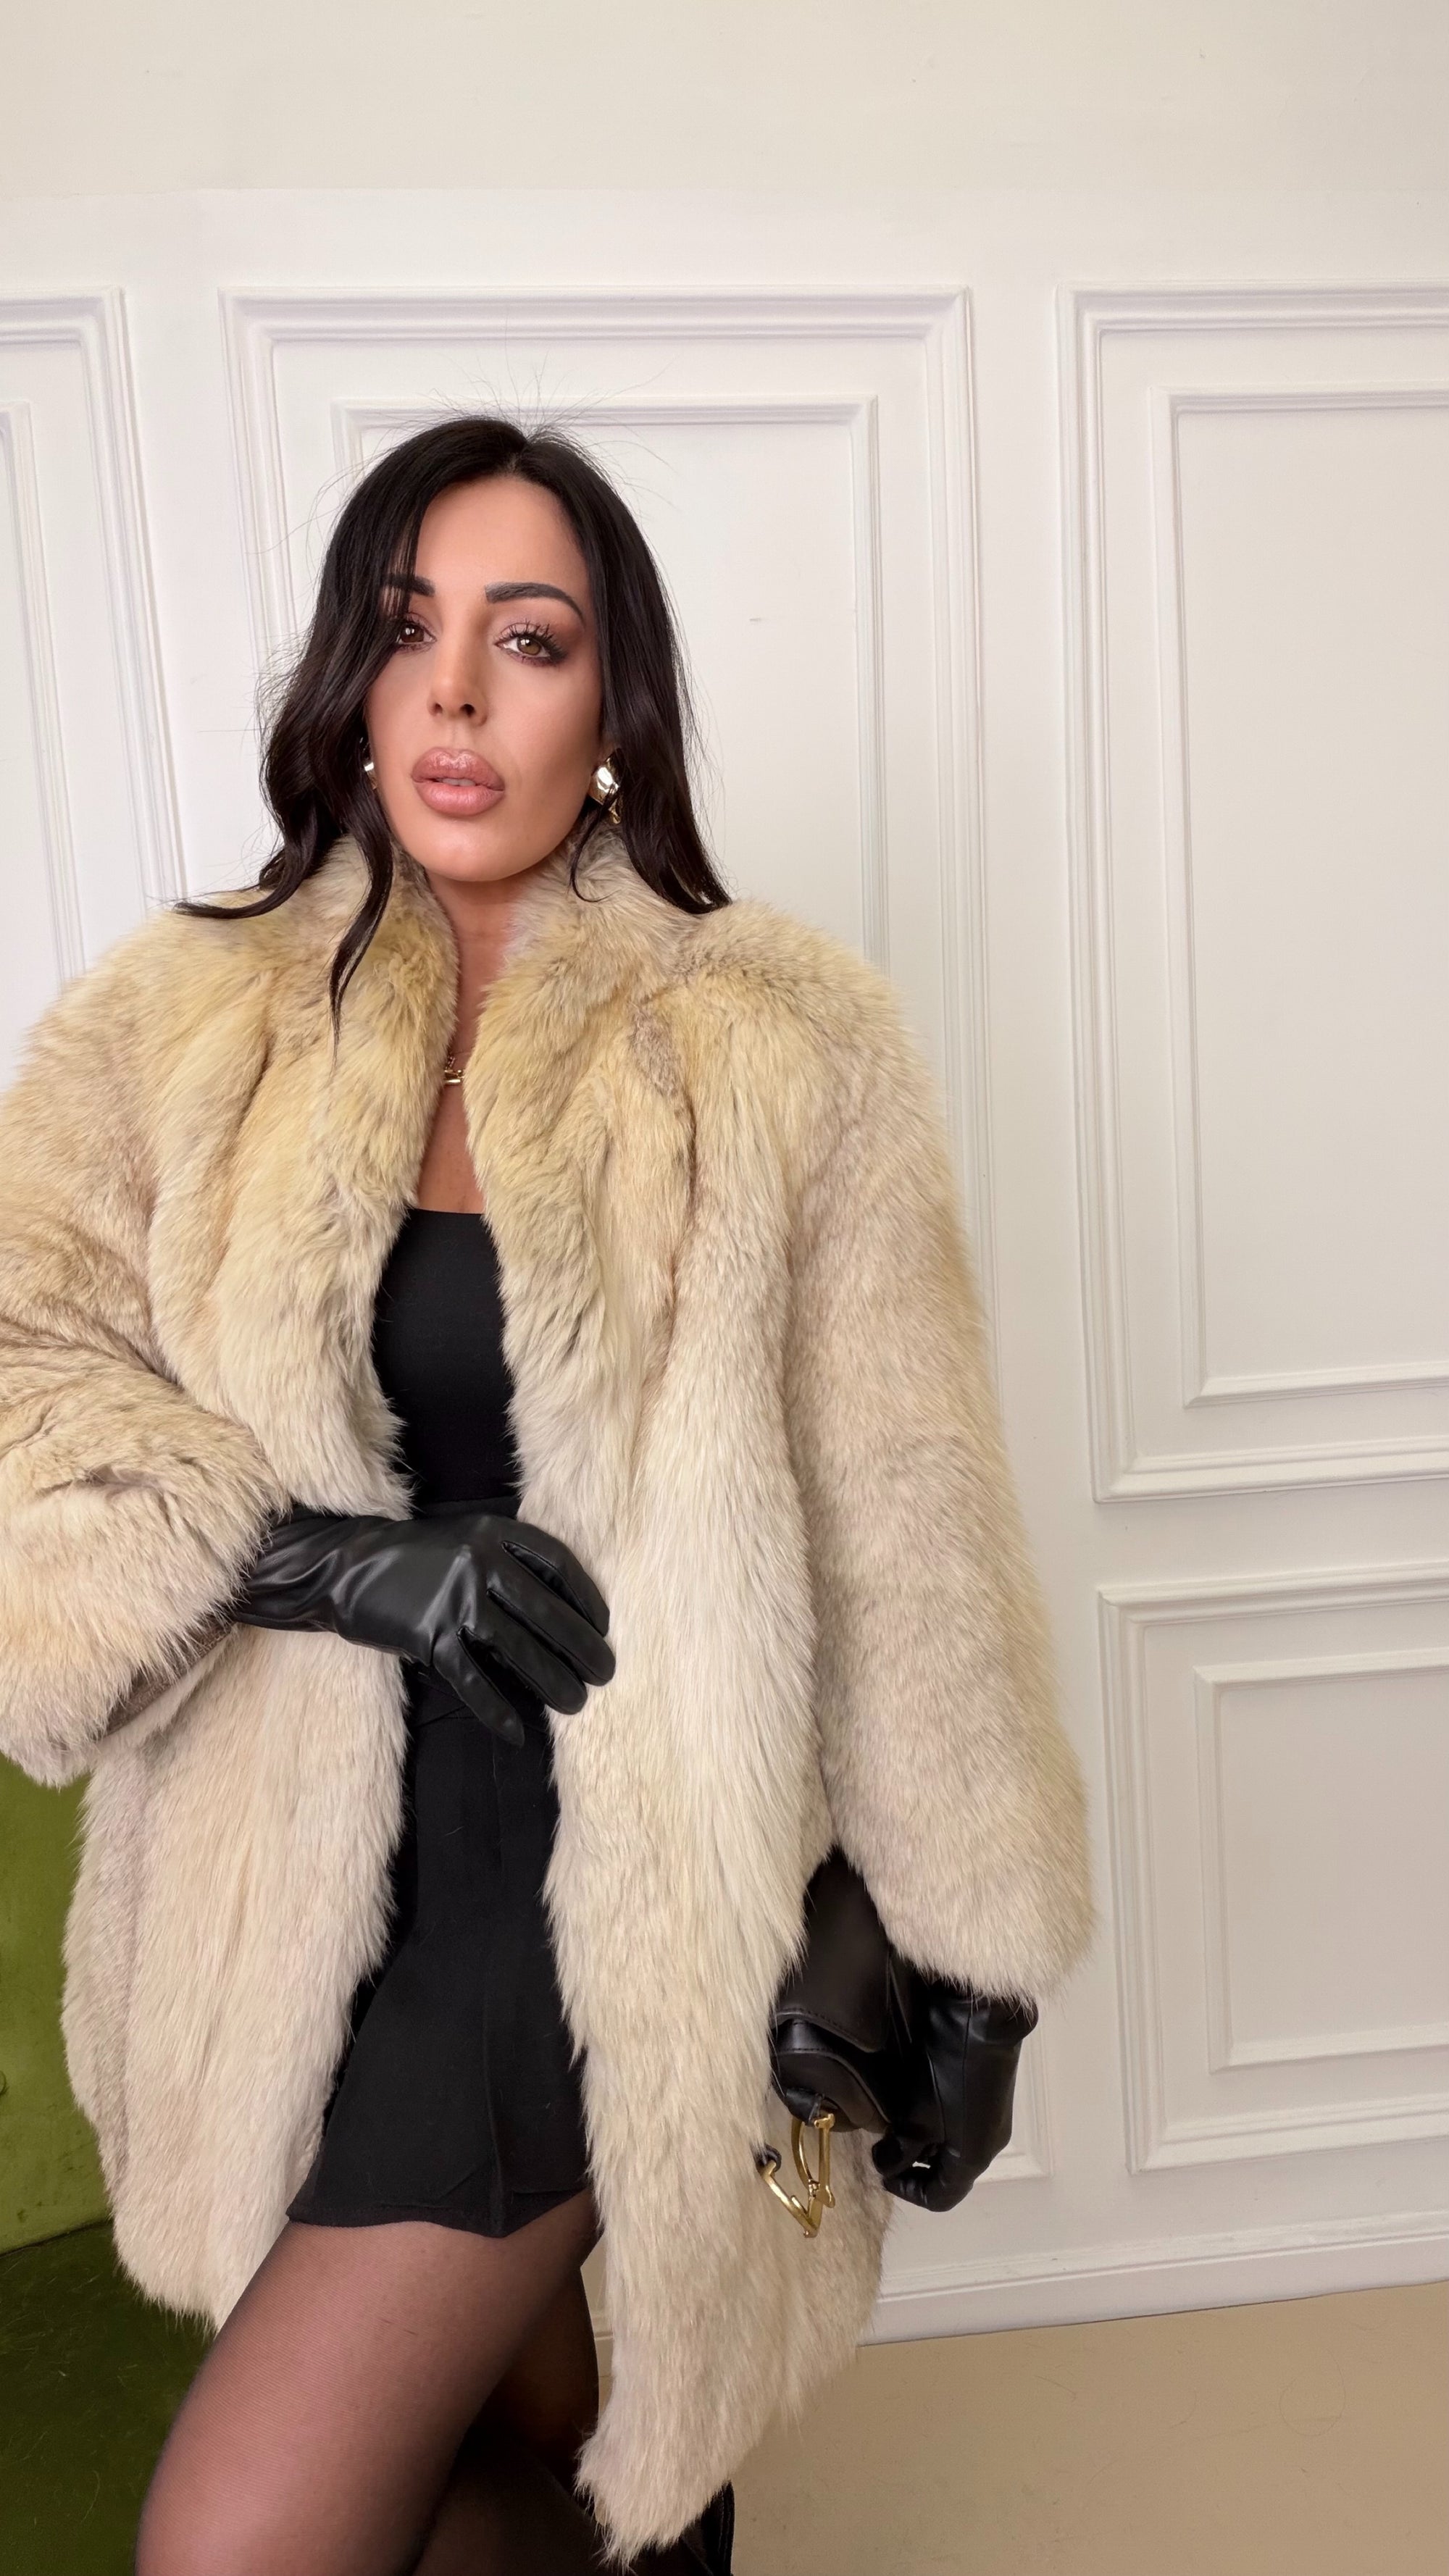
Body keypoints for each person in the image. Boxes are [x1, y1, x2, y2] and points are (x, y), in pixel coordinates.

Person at [0, 413, 1093, 2572]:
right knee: (526, 2470)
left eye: (528, 640)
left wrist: (976, 1962)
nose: (455, 697)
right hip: (286, 1881)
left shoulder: (775, 1041)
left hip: (610, 1885)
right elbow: (23, 1371)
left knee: (241, 2540)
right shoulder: (181, 1020)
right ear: (348, 676)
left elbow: (908, 1520)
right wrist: (312, 1557)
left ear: (614, 710)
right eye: (408, 630)